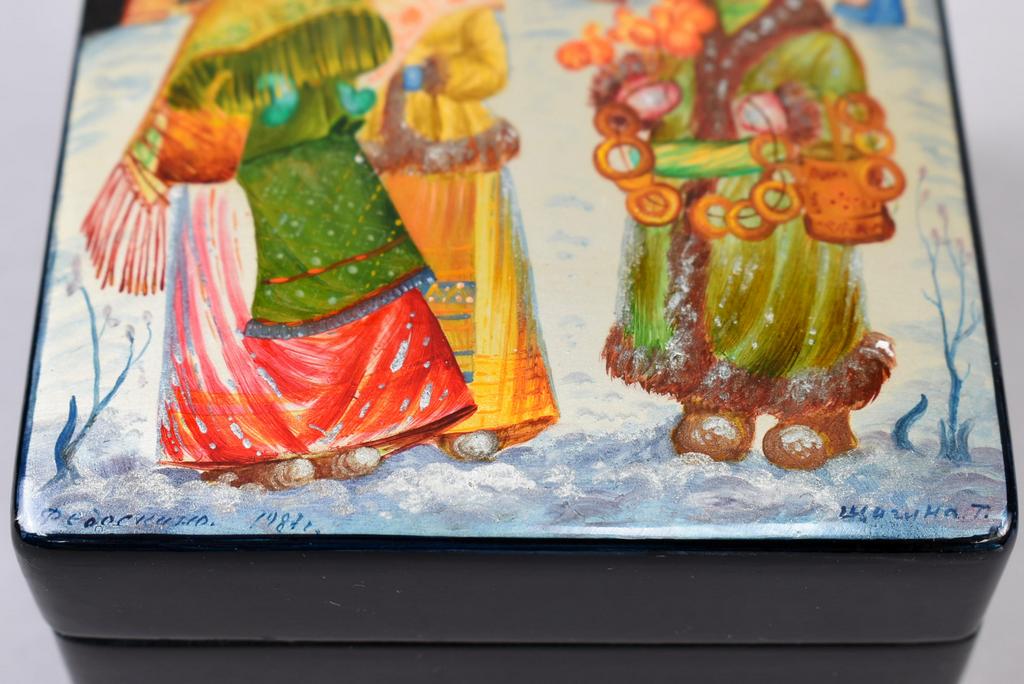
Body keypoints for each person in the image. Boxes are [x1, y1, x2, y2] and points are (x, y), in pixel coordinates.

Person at [82, 0, 476, 488]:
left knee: (362, 281)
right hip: (234, 185)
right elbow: (189, 141)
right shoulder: (216, 32)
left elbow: (364, 56)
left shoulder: (319, 21)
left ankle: (366, 430)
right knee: (233, 298)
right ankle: (250, 450)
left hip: (319, 174)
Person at [562, 0, 902, 469]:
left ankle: (815, 410)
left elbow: (842, 141)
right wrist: (644, 116)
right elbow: (659, 138)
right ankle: (717, 403)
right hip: (694, 207)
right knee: (696, 301)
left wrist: (783, 140)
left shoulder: (820, 50)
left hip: (778, 215)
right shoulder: (681, 44)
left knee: (785, 299)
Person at [361, 1, 559, 461]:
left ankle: (476, 412)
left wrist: (437, 74)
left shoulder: (469, 9)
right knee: (389, 277)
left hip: (456, 147)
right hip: (380, 145)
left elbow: (491, 71)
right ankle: (390, 413)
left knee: (465, 270)